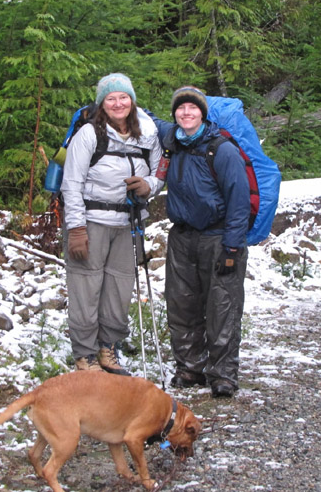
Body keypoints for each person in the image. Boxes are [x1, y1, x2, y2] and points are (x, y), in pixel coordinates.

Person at [60, 73, 164, 374]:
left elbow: (159, 171)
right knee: (85, 287)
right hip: (91, 222)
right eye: (111, 98)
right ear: (102, 103)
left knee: (119, 287)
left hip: (128, 223)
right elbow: (72, 183)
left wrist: (149, 186)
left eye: (123, 97)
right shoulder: (89, 134)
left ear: (132, 100)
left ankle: (108, 349)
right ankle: (85, 355)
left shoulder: (147, 134)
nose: (118, 103)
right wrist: (76, 229)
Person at [151, 86, 250, 398]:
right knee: (182, 303)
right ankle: (191, 367)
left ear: (203, 113)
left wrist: (233, 247)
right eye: (181, 108)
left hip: (219, 237)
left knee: (222, 306)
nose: (186, 113)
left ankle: (223, 374)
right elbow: (148, 120)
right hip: (182, 236)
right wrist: (100, 108)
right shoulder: (173, 141)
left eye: (192, 108)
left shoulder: (222, 150)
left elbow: (239, 200)